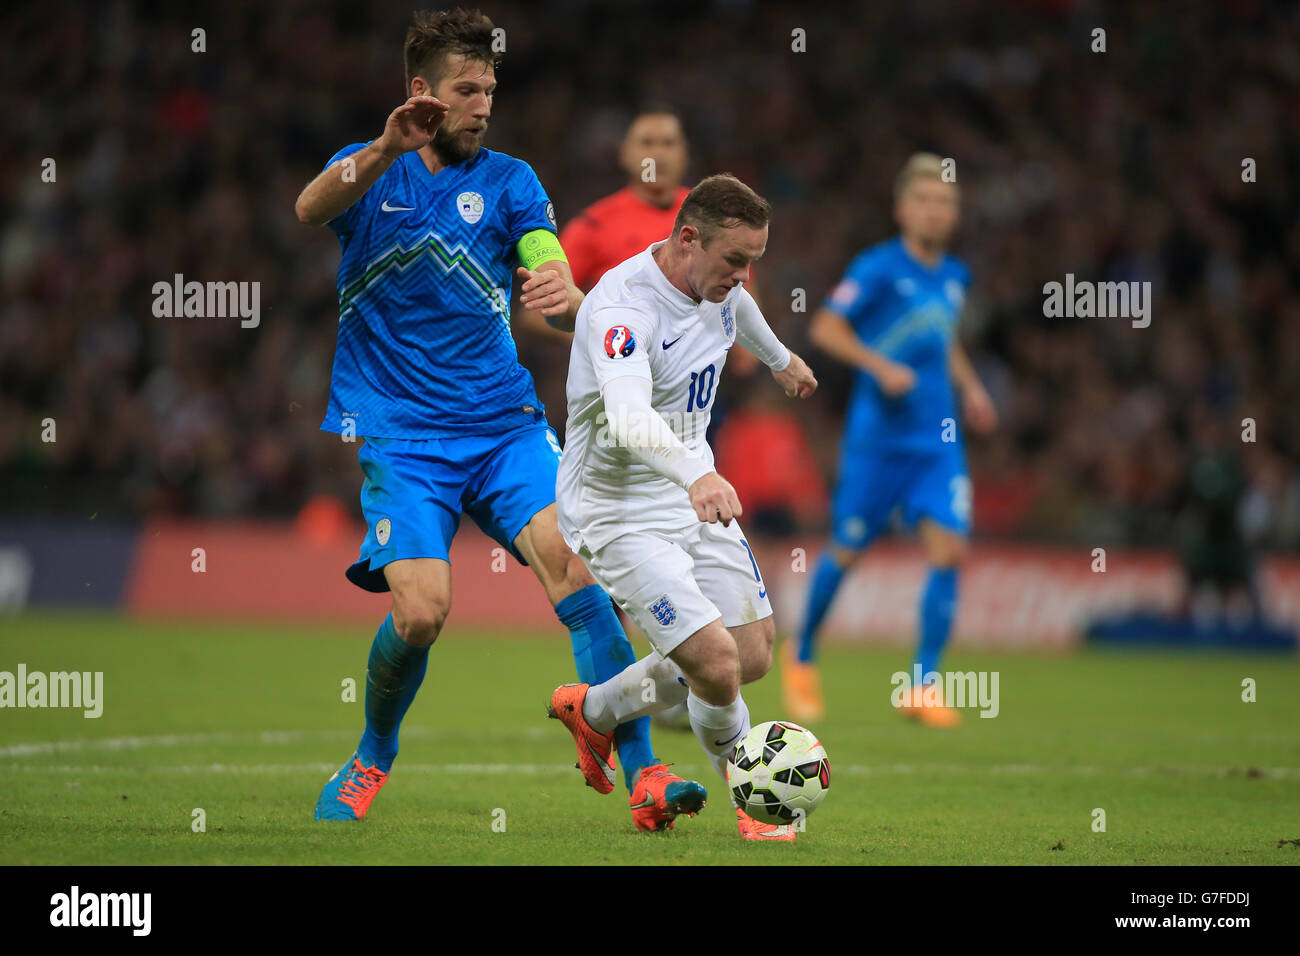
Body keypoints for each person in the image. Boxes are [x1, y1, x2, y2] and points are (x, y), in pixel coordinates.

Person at [294, 8, 699, 829]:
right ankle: (374, 752)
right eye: (466, 89)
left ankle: (646, 771)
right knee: (421, 612)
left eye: (490, 88)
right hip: (403, 436)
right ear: (422, 94)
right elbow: (308, 209)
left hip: (504, 424)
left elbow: (547, 272)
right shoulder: (372, 174)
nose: (482, 104)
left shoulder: (512, 182)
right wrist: (380, 149)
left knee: (579, 572)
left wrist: (567, 295)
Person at [546, 174, 819, 840]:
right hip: (618, 509)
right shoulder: (621, 308)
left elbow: (739, 310)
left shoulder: (718, 284)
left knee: (751, 654)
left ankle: (596, 711)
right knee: (718, 665)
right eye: (734, 260)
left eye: (752, 260)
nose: (743, 274)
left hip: (688, 489)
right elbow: (628, 415)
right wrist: (699, 473)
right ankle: (755, 804)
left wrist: (780, 358)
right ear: (687, 238)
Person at [783, 153, 997, 727]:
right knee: (847, 550)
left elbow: (943, 339)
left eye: (946, 202)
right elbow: (826, 328)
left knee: (950, 549)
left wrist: (972, 388)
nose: (936, 211)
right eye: (924, 200)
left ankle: (923, 684)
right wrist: (878, 366)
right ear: (902, 208)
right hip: (878, 441)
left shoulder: (955, 276)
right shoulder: (877, 268)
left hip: (937, 441)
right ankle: (801, 656)